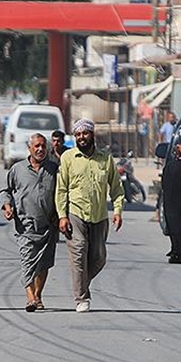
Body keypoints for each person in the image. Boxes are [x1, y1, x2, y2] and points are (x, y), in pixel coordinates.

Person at [55, 119, 124, 312]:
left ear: (92, 135)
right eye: (77, 135)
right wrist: (62, 215)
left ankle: (81, 282)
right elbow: (61, 189)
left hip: (99, 215)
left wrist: (117, 211)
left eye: (85, 133)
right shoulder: (68, 158)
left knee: (99, 257)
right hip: (75, 213)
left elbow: (117, 189)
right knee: (78, 252)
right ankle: (81, 297)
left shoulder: (105, 158)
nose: (81, 138)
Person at [0, 133, 60, 312]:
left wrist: (60, 214)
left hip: (49, 225)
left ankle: (38, 295)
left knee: (44, 263)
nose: (40, 149)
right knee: (28, 260)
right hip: (25, 225)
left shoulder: (53, 169)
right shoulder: (17, 169)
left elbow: (62, 192)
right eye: (37, 146)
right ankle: (30, 298)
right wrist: (7, 205)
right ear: (30, 148)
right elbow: (5, 190)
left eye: (43, 146)